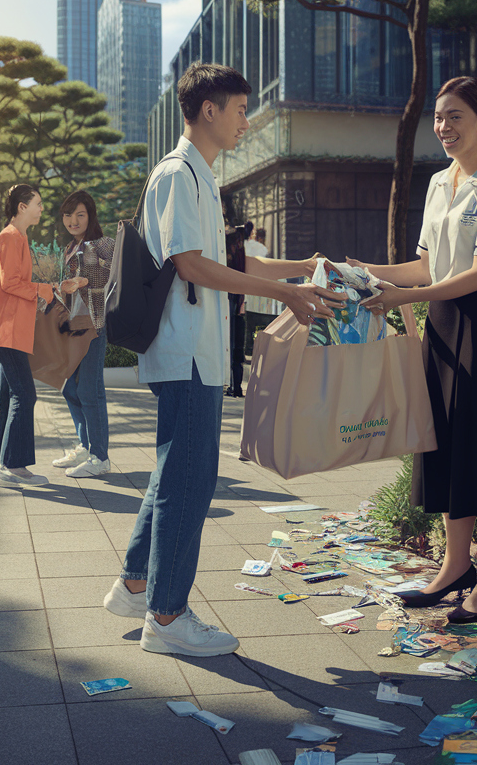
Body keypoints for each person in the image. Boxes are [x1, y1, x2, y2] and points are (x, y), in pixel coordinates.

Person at [101, 62, 342, 658]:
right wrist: (286, 294)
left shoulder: (201, 176)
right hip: (187, 353)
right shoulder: (180, 174)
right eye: (240, 108)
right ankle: (167, 615)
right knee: (189, 480)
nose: (247, 120)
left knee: (172, 474)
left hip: (197, 354)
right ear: (207, 109)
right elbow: (191, 265)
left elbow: (234, 263)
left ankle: (137, 586)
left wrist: (301, 274)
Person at [358, 75, 477, 625]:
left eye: (455, 116)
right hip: (442, 325)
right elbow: (426, 268)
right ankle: (455, 566)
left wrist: (406, 295)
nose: (443, 128)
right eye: (438, 117)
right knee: (449, 447)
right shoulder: (438, 184)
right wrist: (360, 272)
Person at [0, 184, 87, 488]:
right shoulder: (10, 237)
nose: (42, 208)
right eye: (38, 203)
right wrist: (50, 289)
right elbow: (11, 283)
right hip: (6, 328)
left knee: (5, 398)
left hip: (10, 327)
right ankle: (14, 466)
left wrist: (53, 289)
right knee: (25, 394)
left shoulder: (17, 237)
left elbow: (14, 283)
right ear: (21, 207)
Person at [52, 190, 115, 478]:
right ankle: (86, 446)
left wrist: (84, 279)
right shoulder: (69, 247)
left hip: (93, 325)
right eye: (68, 215)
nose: (73, 220)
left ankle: (100, 457)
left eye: (79, 214)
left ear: (90, 215)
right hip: (71, 327)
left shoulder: (103, 244)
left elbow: (114, 276)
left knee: (90, 390)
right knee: (70, 389)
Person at [225, 224, 246, 398]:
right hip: (237, 303)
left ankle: (234, 386)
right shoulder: (240, 256)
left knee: (233, 348)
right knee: (236, 349)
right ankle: (235, 386)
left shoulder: (230, 257)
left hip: (231, 302)